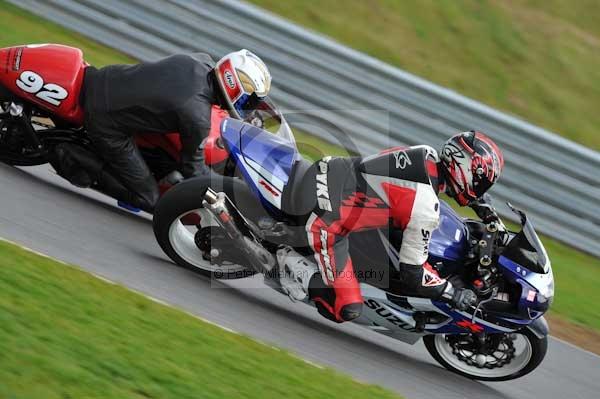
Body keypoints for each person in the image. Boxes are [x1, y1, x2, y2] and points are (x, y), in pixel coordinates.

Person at [279, 131, 504, 323]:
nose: (480, 189)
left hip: (328, 170)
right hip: (324, 218)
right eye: (480, 182)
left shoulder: (426, 154)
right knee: (347, 308)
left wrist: (484, 209)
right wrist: (451, 292)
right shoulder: (424, 207)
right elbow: (413, 273)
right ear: (463, 169)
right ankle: (285, 259)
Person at [53, 49, 272, 213]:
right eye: (251, 99)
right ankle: (69, 155)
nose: (251, 105)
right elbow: (193, 169)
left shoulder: (195, 62)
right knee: (149, 198)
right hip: (105, 120)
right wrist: (224, 192)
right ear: (235, 85)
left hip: (107, 78)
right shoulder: (196, 117)